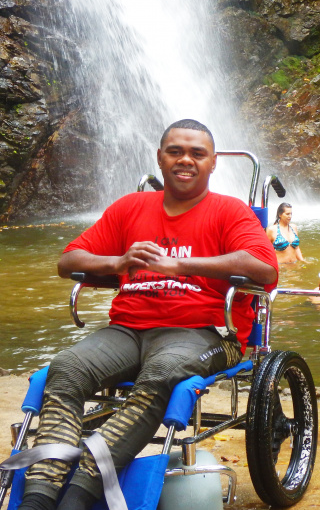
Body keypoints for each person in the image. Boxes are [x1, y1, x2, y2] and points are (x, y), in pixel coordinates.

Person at [17, 119, 278, 510]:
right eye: (175, 151)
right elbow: (68, 259)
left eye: (196, 153)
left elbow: (264, 269)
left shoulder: (230, 211)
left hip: (205, 332)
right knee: (65, 369)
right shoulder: (130, 207)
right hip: (127, 330)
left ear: (212, 163)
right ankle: (37, 498)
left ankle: (78, 495)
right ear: (159, 158)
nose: (184, 160)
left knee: (161, 374)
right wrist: (118, 260)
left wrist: (183, 266)